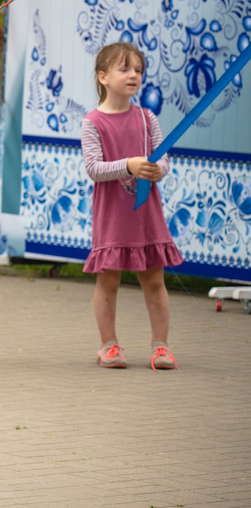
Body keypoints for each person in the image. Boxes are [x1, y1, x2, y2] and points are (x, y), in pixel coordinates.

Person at [82, 42, 182, 370]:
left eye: (138, 70)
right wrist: (129, 165)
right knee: (108, 280)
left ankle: (161, 346)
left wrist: (157, 170)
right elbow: (94, 168)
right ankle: (108, 345)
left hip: (146, 217)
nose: (133, 75)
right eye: (124, 69)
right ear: (103, 76)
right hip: (112, 218)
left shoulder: (146, 117)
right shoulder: (92, 122)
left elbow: (162, 159)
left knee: (154, 280)